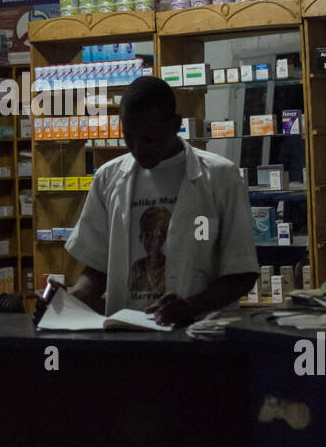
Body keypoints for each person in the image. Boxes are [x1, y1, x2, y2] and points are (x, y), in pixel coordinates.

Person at [42, 76, 259, 325]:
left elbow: (242, 273)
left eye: (149, 138)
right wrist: (67, 300)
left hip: (198, 336)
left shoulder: (220, 177)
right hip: (126, 336)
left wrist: (191, 307)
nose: (137, 148)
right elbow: (98, 267)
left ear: (175, 124)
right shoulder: (108, 178)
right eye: (129, 137)